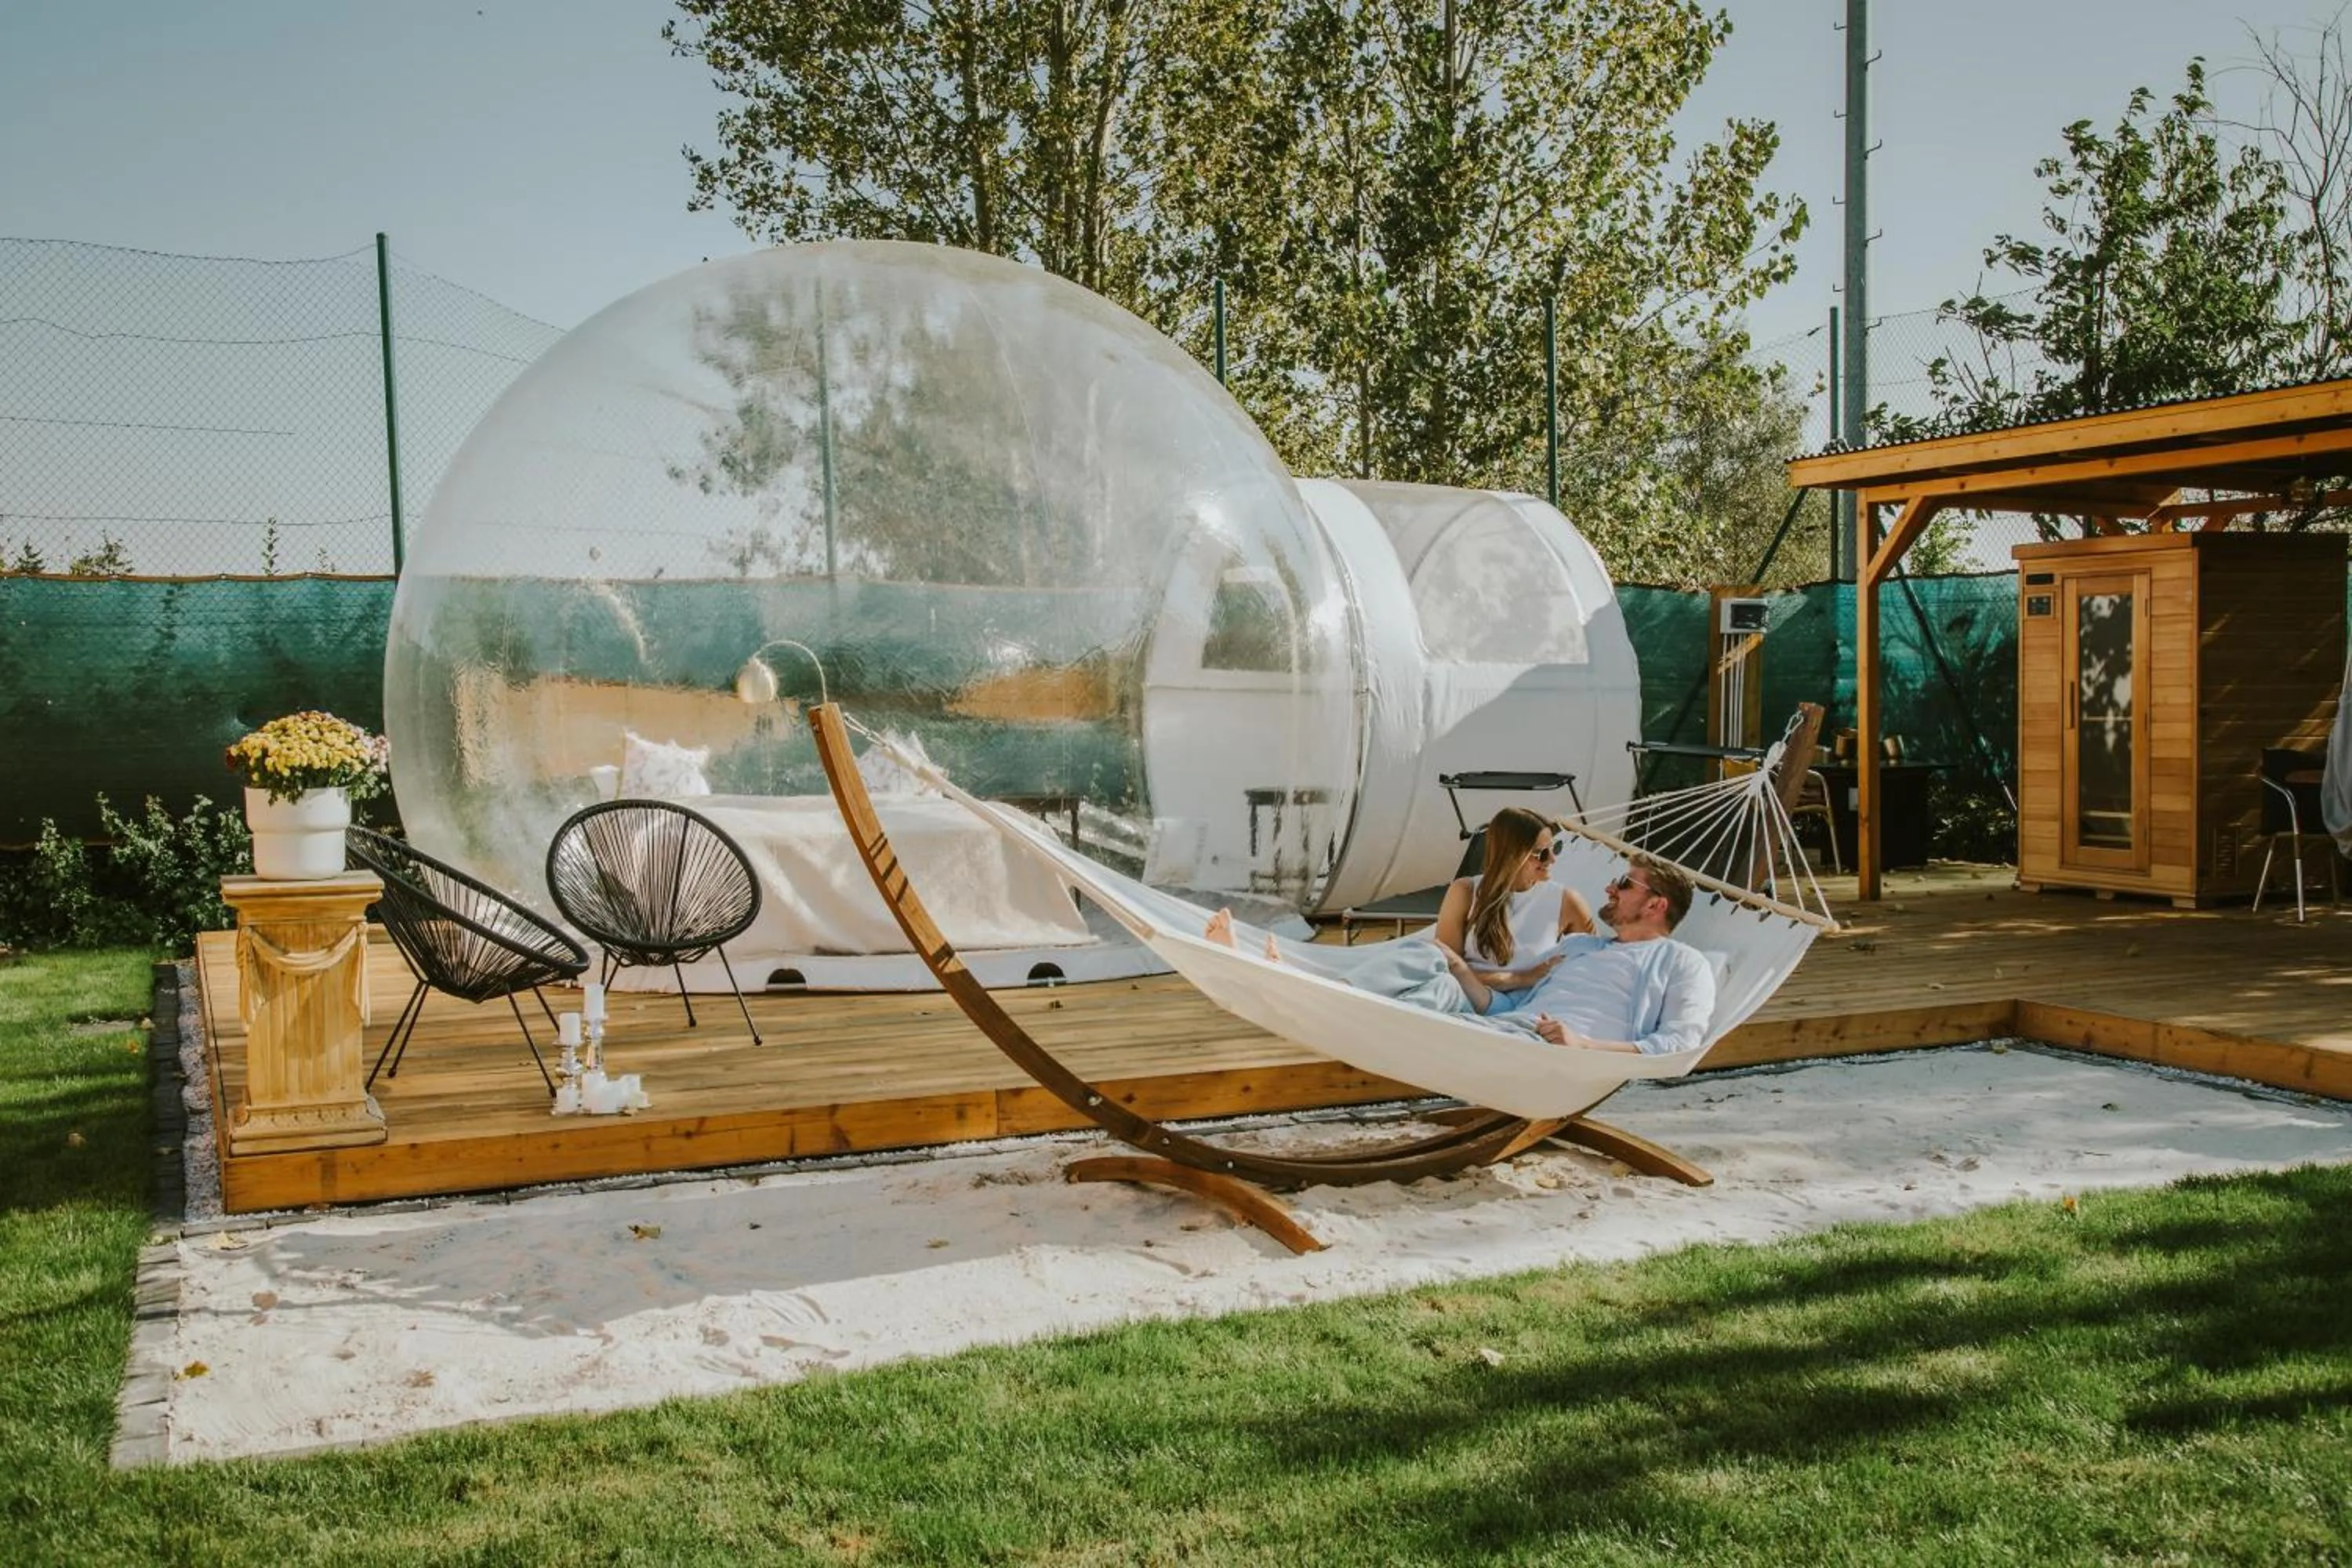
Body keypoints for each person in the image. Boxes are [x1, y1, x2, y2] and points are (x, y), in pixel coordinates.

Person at [1445, 852, 1715, 1055]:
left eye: (1624, 883)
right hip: (1503, 1029)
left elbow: (1679, 1043)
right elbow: (1513, 1004)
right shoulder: (1577, 945)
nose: (1609, 889)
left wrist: (1583, 1045)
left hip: (1546, 1051)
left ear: (1656, 904)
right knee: (1425, 958)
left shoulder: (1681, 961)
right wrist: (1458, 970)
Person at [1432, 807, 1595, 992]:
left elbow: (1590, 968)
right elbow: (1445, 968)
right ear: (1512, 855)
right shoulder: (1466, 892)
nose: (1552, 859)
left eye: (1553, 848)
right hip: (1465, 997)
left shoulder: (1567, 901)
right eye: (1541, 853)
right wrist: (1520, 978)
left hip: (1528, 1006)